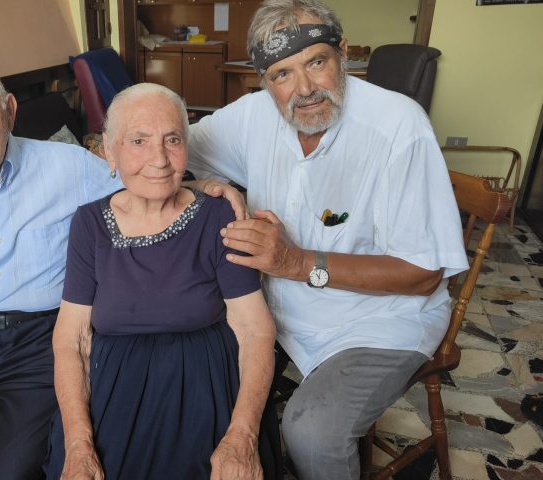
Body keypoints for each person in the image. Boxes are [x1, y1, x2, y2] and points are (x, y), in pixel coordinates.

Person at [0, 53, 241, 480]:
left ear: (9, 110)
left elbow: (145, 177)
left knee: (12, 473)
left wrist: (204, 187)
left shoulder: (70, 167)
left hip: (37, 343)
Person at [187, 1, 469, 479]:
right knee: (190, 382)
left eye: (316, 62)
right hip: (282, 312)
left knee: (311, 430)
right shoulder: (254, 116)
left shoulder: (398, 127)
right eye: (281, 75)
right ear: (263, 81)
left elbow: (424, 274)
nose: (304, 89)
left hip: (380, 322)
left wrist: (295, 262)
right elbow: (172, 152)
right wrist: (207, 184)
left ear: (342, 53)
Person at [44, 83, 281, 480]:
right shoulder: (88, 223)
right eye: (138, 140)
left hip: (205, 381)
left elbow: (255, 330)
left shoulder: (219, 215)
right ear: (109, 150)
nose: (158, 158)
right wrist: (78, 442)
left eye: (172, 139)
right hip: (114, 383)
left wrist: (241, 435)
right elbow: (71, 339)